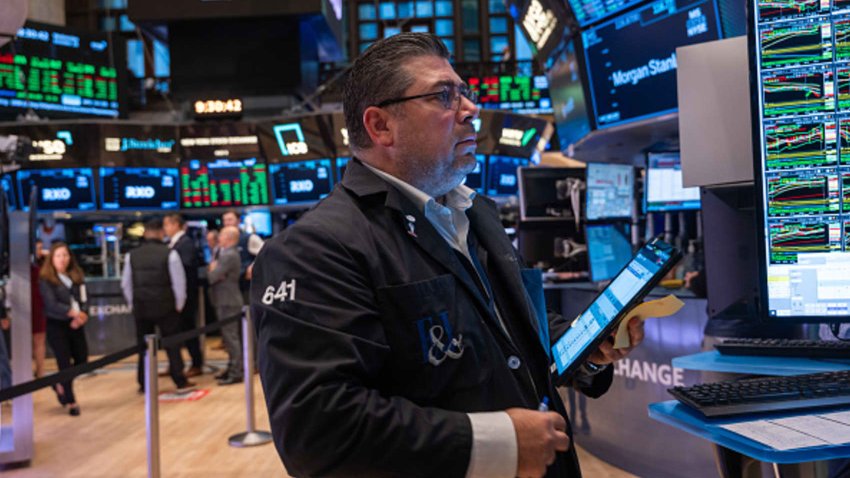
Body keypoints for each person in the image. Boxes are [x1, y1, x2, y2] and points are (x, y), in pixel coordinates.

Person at [252, 33, 644, 478]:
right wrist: (498, 443)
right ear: (381, 126)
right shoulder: (316, 248)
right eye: (443, 95)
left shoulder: (474, 212)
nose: (471, 108)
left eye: (464, 92)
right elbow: (317, 431)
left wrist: (585, 347)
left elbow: (506, 329)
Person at [121, 219, 195, 393]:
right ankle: (179, 380)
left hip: (142, 307)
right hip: (166, 306)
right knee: (172, 345)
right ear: (161, 233)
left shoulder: (132, 255)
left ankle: (143, 382)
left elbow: (126, 284)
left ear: (145, 234)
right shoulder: (170, 254)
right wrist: (179, 305)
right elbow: (179, 283)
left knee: (143, 347)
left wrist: (134, 304)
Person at [39, 242, 88, 416]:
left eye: (65, 255)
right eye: (58, 255)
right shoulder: (46, 279)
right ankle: (70, 400)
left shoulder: (76, 276)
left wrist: (82, 315)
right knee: (64, 363)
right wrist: (71, 313)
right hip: (57, 325)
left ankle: (59, 384)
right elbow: (51, 304)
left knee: (82, 360)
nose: (62, 259)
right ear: (52, 258)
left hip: (76, 325)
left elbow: (84, 300)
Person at [163, 213, 203, 377]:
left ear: (175, 225)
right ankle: (176, 364)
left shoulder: (185, 243)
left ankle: (196, 363)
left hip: (185, 296)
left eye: (167, 224)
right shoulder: (173, 243)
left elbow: (184, 270)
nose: (165, 228)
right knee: (177, 332)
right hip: (176, 295)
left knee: (188, 330)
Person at [207, 226, 244, 385]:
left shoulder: (228, 255)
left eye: (221, 235)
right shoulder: (225, 253)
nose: (218, 237)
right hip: (225, 300)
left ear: (229, 238)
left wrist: (212, 269)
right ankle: (231, 368)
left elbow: (212, 277)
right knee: (228, 339)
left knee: (231, 338)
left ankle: (236, 372)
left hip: (228, 301)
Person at [221, 209, 263, 300]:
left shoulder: (249, 238)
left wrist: (253, 266)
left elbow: (266, 253)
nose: (227, 223)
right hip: (228, 286)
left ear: (238, 221)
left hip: (246, 285)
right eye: (224, 220)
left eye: (230, 219)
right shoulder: (221, 241)